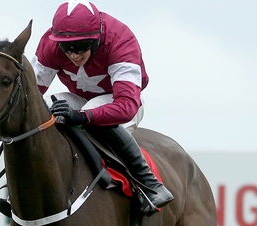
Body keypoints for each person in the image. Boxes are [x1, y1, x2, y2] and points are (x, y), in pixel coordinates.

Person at [31, 0, 173, 214]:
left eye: (81, 47)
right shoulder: (50, 43)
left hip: (120, 101)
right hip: (79, 99)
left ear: (97, 39)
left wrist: (82, 116)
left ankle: (150, 185)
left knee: (94, 121)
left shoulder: (120, 40)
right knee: (40, 110)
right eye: (66, 48)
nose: (74, 55)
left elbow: (126, 106)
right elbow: (32, 94)